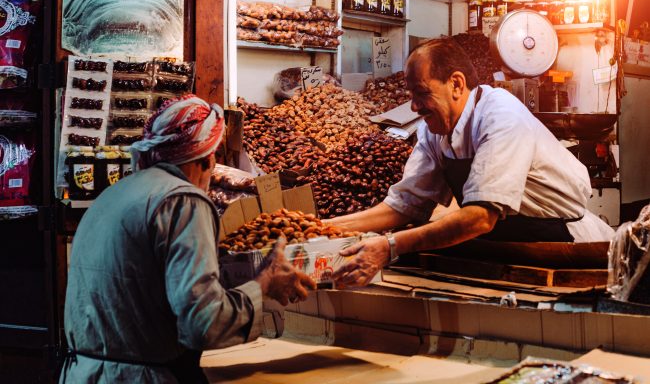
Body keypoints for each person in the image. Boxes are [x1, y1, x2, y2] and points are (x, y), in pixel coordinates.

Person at [60, 95, 316, 383]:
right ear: (207, 160)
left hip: (83, 373)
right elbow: (202, 323)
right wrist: (263, 284)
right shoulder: (183, 201)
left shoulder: (113, 194)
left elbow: (146, 288)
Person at [330, 38, 614, 288]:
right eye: (411, 96)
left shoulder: (500, 116)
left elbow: (480, 217)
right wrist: (324, 228)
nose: (414, 107)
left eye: (422, 93)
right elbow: (403, 206)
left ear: (456, 84)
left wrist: (391, 246)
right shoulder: (433, 131)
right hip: (502, 246)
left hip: (560, 245)